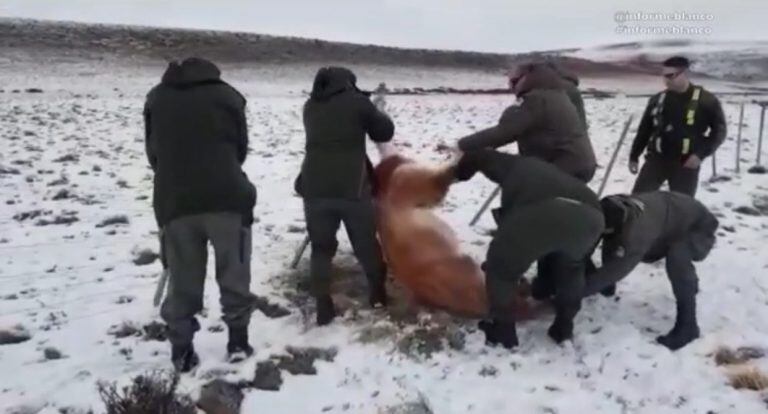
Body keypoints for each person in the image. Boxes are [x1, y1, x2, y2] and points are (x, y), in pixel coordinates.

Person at [144, 57, 258, 372]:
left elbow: (153, 153)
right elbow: (240, 148)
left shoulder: (156, 97)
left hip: (175, 201)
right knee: (234, 274)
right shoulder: (228, 96)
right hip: (227, 197)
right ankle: (237, 341)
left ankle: (181, 351)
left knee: (182, 280)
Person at [452, 149, 605, 348]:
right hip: (592, 218)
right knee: (571, 266)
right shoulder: (537, 169)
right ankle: (563, 325)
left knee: (501, 267)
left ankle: (503, 331)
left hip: (552, 211)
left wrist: (458, 173)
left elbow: (514, 227)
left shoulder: (513, 173)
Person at [297, 66, 394, 326]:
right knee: (365, 243)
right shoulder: (357, 103)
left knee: (321, 248)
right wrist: (372, 108)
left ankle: (322, 304)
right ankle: (377, 293)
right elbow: (384, 132)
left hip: (314, 187)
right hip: (352, 186)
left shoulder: (310, 106)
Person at [584, 191, 719, 350]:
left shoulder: (637, 232)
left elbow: (617, 270)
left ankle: (688, 326)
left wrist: (575, 291)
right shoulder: (614, 206)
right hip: (672, 218)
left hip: (699, 227)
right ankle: (607, 289)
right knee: (614, 240)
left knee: (677, 258)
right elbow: (604, 239)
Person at [457, 62, 597, 182]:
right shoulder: (557, 94)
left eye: (514, 82)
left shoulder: (534, 100)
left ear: (525, 78)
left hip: (560, 166)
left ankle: (446, 179)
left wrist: (460, 145)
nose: (512, 87)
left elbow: (504, 132)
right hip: (579, 163)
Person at [629, 56, 727, 197]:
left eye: (670, 76)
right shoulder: (658, 100)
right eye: (664, 76)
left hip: (686, 163)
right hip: (657, 160)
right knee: (638, 202)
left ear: (685, 73)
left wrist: (699, 155)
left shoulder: (706, 100)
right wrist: (634, 155)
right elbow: (645, 129)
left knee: (682, 208)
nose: (666, 80)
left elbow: (719, 132)